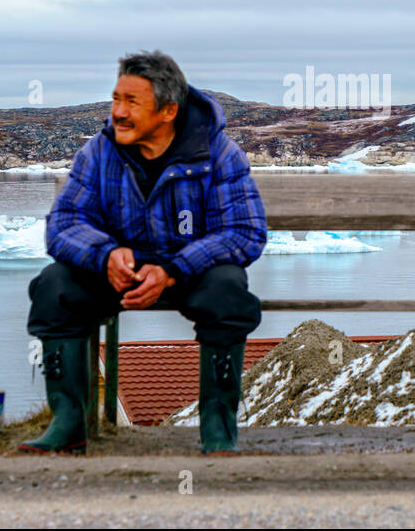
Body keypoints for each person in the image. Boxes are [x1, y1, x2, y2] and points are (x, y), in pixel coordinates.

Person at [21, 50, 268, 455]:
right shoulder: (99, 153)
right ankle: (69, 423)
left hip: (191, 273)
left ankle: (218, 431)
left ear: (168, 110)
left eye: (131, 102)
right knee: (54, 287)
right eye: (116, 99)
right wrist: (105, 255)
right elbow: (63, 224)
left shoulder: (217, 153)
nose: (117, 112)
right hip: (118, 271)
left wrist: (172, 269)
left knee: (229, 292)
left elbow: (243, 232)